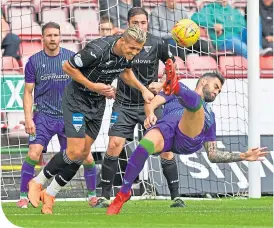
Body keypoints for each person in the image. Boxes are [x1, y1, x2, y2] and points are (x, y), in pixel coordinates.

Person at [107, 66, 268, 215]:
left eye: (218, 91)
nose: (216, 92)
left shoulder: (210, 116)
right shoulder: (169, 94)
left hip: (188, 139)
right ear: (204, 81)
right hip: (168, 129)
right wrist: (150, 114)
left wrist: (243, 156)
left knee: (196, 104)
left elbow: (212, 154)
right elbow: (152, 103)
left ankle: (175, 84)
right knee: (142, 148)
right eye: (216, 87)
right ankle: (123, 193)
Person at [27, 26, 153, 214]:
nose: (134, 53)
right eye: (132, 49)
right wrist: (94, 86)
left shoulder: (128, 54)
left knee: (84, 153)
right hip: (77, 100)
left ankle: (50, 194)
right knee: (74, 150)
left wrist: (143, 89)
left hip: (97, 104)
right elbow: (67, 66)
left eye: (138, 50)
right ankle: (37, 182)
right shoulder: (98, 49)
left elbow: (126, 72)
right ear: (122, 41)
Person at [98, 7, 184, 208]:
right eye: (135, 23)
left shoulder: (157, 43)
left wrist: (163, 84)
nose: (140, 26)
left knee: (166, 148)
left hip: (150, 105)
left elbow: (172, 68)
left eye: (143, 23)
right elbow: (120, 71)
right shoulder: (119, 42)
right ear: (128, 24)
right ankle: (104, 196)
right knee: (114, 144)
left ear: (147, 23)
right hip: (124, 104)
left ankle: (176, 197)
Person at [16, 22, 77, 208]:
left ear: (60, 37)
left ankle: (87, 194)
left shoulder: (71, 58)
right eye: (49, 35)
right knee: (34, 153)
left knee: (75, 156)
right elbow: (27, 92)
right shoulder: (34, 61)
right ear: (43, 38)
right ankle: (23, 196)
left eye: (56, 35)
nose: (53, 39)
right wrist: (28, 118)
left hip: (67, 116)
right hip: (43, 116)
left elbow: (81, 86)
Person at [149, 0, 214, 60]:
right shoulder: (156, 12)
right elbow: (154, 33)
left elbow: (189, 27)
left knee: (204, 44)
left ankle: (205, 66)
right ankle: (181, 67)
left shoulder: (182, 10)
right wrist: (174, 35)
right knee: (177, 44)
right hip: (167, 40)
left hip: (184, 38)